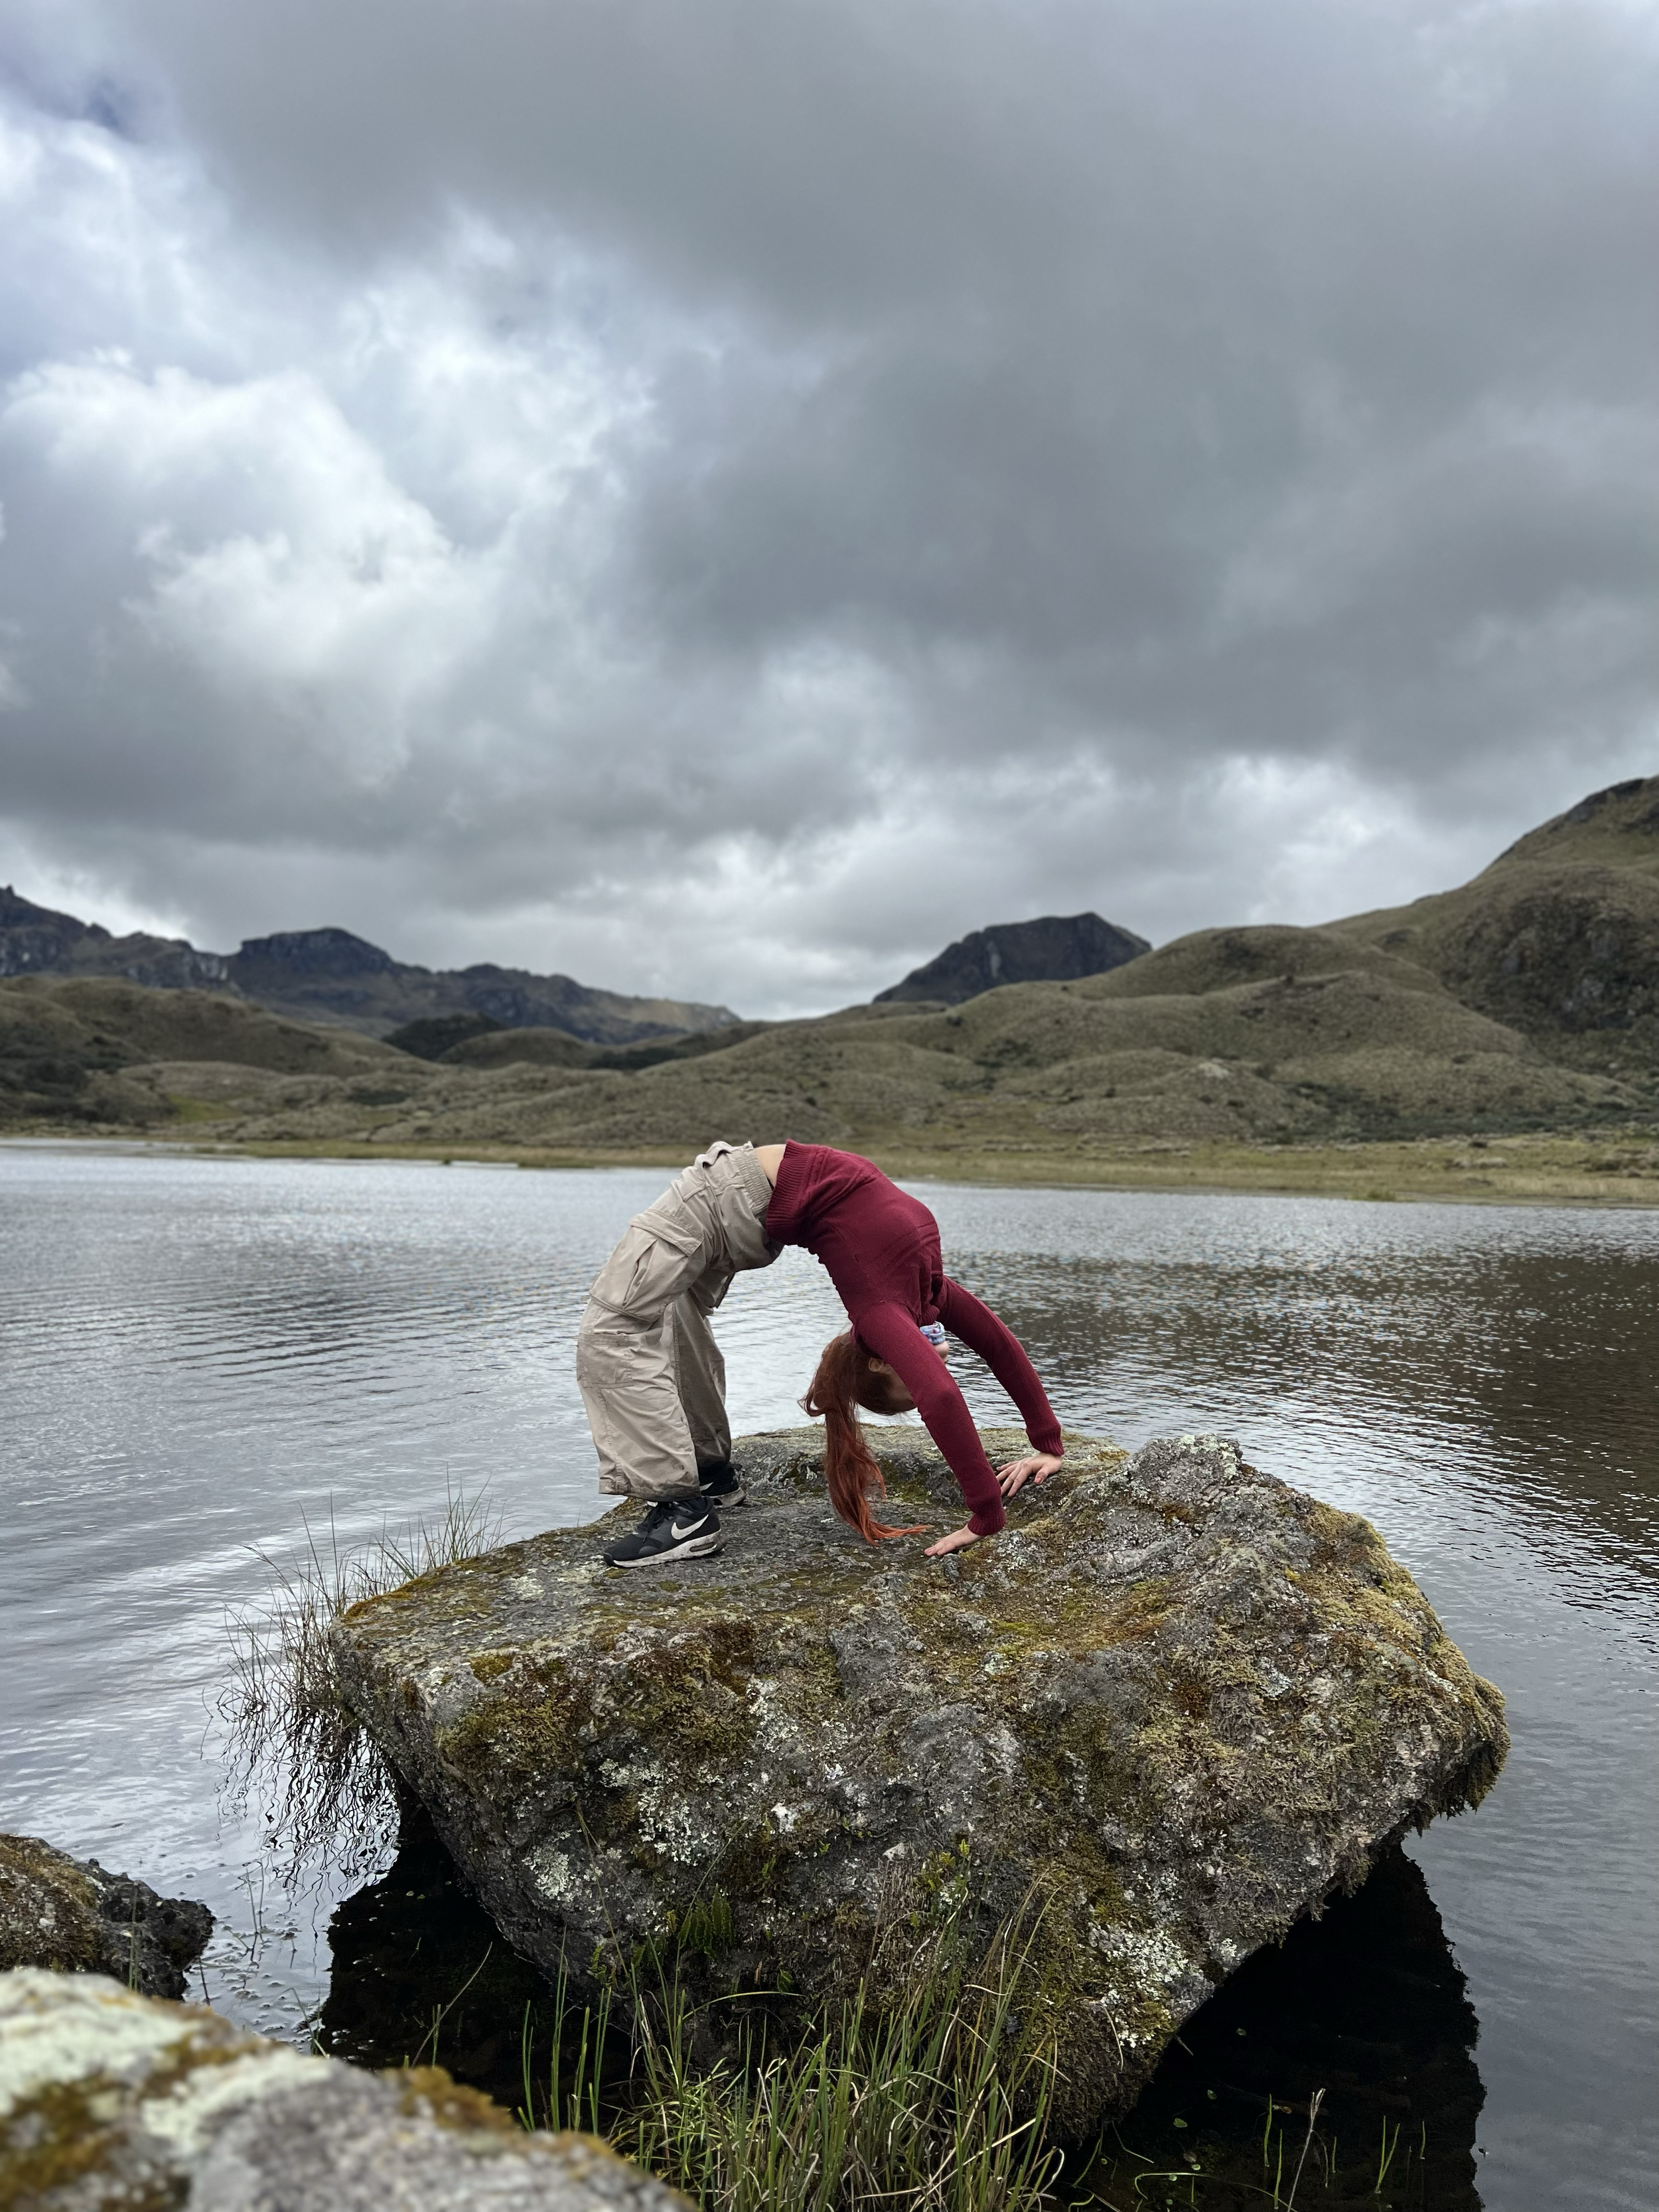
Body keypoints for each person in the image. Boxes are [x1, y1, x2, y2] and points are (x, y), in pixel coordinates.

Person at [577, 1138, 1064, 1569]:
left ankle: (683, 1514)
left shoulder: (882, 1312)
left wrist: (985, 1515)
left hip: (730, 1197)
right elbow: (998, 1346)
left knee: (613, 1326)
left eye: (909, 1383)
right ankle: (709, 1476)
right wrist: (1047, 1443)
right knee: (669, 1308)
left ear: (879, 1359)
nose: (933, 1367)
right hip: (745, 1203)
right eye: (916, 1378)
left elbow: (940, 1395)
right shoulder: (925, 1295)